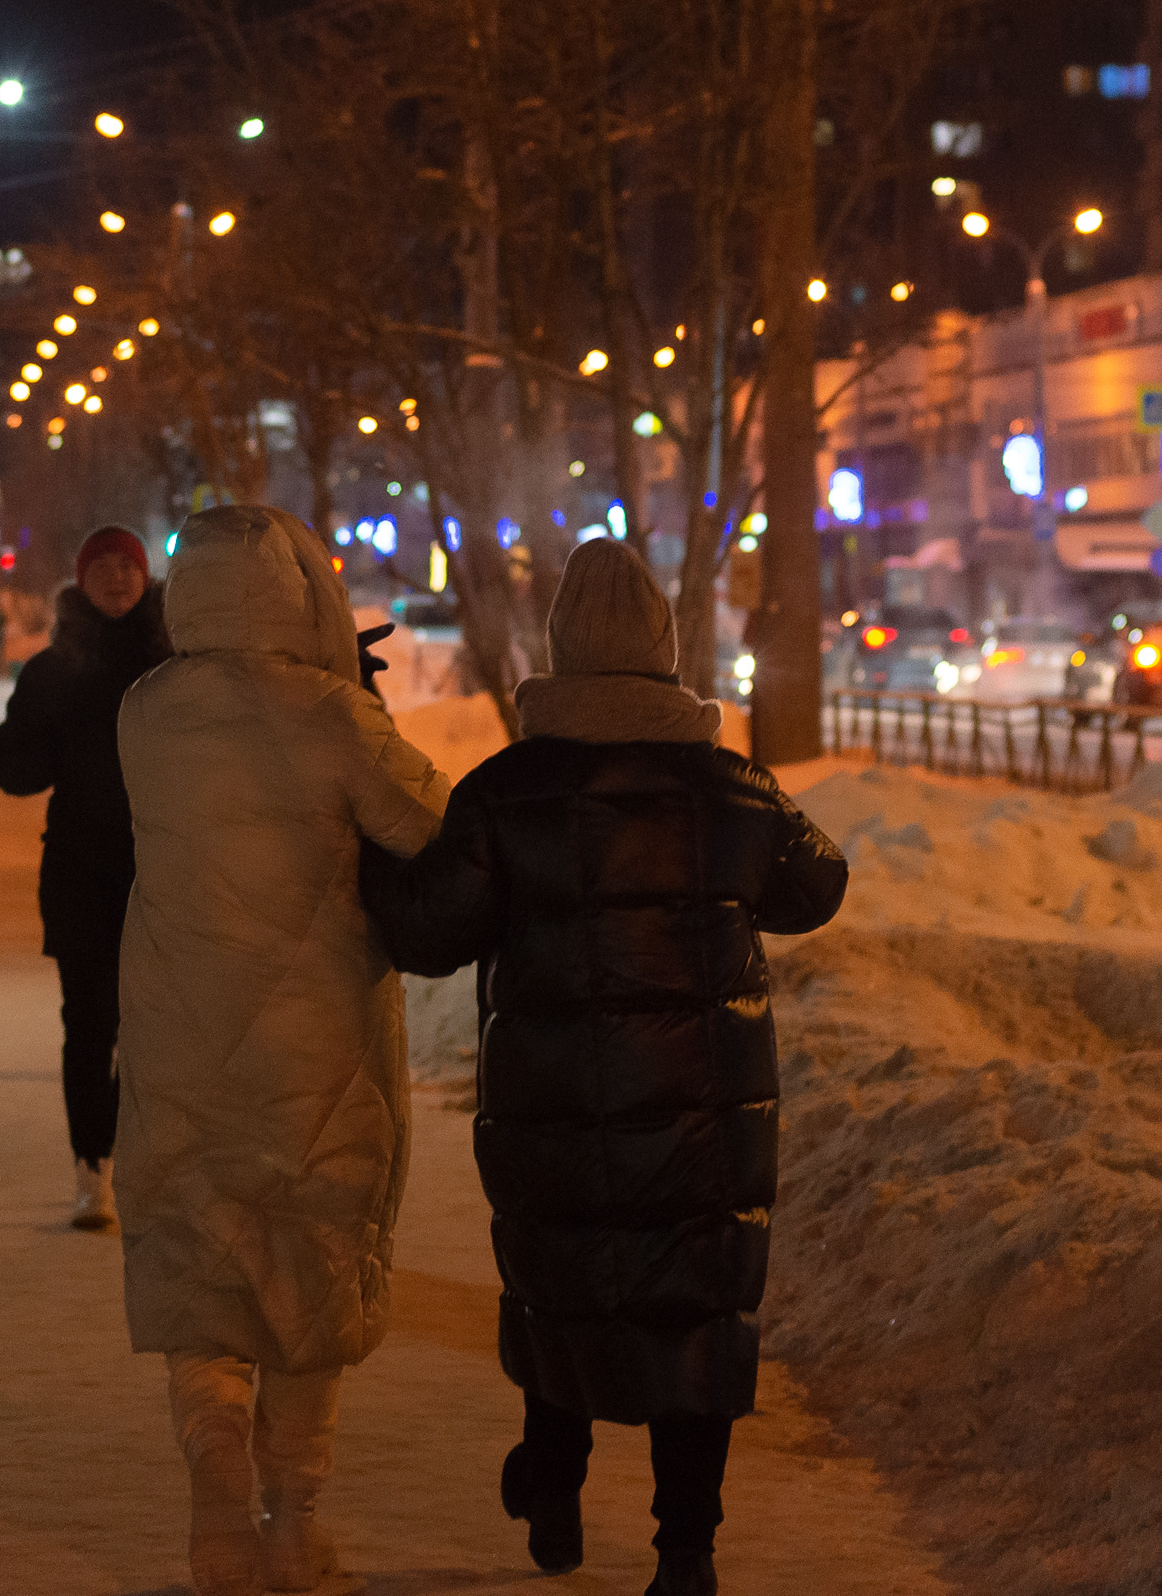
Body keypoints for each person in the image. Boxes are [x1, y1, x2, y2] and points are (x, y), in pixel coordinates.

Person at [359, 538, 848, 1596]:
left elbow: (425, 933)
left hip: (554, 1108)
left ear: (560, 645)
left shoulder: (506, 792)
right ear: (667, 651)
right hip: (703, 1118)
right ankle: (685, 1551)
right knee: (693, 1316)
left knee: (562, 1290)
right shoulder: (732, 789)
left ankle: (552, 1485)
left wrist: (361, 837)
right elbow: (818, 888)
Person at [116, 504, 450, 1596]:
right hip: (319, 1048)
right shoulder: (332, 717)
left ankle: (214, 1482)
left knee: (198, 1256)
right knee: (307, 1275)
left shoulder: (147, 713)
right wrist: (352, 691)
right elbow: (425, 824)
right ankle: (292, 1522)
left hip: (178, 1030)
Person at [0, 525, 172, 1230]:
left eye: (129, 566)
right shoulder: (54, 670)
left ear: (146, 576)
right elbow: (9, 769)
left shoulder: (177, 660)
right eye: (104, 568)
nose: (118, 578)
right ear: (81, 580)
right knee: (89, 1025)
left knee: (157, 1029)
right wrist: (51, 734)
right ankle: (92, 1168)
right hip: (81, 874)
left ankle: (139, 1156)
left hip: (166, 871)